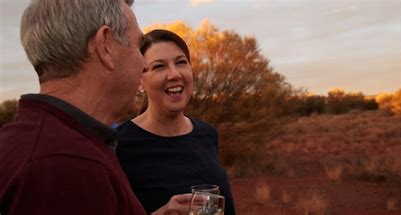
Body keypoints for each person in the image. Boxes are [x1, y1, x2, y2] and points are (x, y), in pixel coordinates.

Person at [0, 0, 191, 214]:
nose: (144, 64)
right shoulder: (69, 167)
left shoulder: (32, 142)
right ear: (105, 46)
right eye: (137, 46)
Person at [116, 29, 236, 214]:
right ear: (140, 81)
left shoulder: (207, 134)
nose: (174, 74)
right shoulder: (118, 145)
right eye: (159, 66)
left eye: (181, 62)